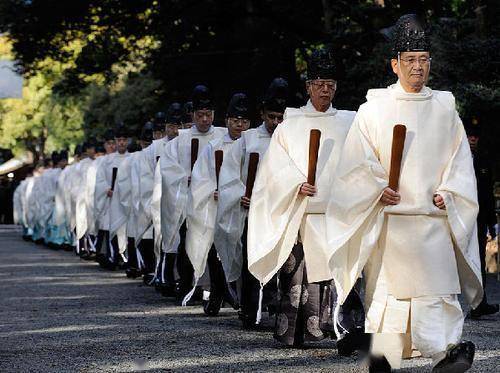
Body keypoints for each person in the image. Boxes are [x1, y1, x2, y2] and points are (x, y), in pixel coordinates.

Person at [325, 14, 481, 372]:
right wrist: (377, 189)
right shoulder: (374, 108)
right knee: (389, 296)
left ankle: (445, 354)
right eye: (410, 60)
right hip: (392, 222)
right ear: (394, 64)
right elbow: (356, 164)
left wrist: (450, 191)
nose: (418, 67)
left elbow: (460, 161)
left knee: (437, 294)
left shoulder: (444, 106)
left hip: (432, 218)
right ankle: (382, 356)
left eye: (424, 60)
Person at [247, 48, 363, 349]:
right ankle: (293, 333)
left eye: (331, 83)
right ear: (309, 86)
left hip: (337, 213)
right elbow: (273, 169)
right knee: (297, 276)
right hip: (301, 212)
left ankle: (340, 331)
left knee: (339, 274)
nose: (325, 89)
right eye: (319, 83)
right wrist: (295, 184)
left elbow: (362, 162)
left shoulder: (350, 122)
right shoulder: (289, 125)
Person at [215, 77, 288, 327]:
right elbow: (229, 173)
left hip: (281, 209)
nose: (276, 123)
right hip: (253, 210)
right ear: (262, 114)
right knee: (251, 259)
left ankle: (277, 305)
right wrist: (240, 195)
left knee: (281, 259)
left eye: (280, 118)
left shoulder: (291, 138)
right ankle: (248, 308)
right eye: (271, 117)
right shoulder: (248, 140)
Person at [153, 85, 227, 301]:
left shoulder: (222, 136)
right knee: (188, 244)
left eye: (209, 114)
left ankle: (216, 289)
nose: (205, 119)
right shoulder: (180, 140)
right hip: (187, 201)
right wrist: (183, 178)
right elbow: (167, 169)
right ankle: (186, 285)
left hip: (213, 201)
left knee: (214, 247)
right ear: (193, 115)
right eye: (200, 115)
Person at [184, 93, 251, 315]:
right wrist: (213, 190)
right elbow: (201, 177)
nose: (239, 125)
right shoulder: (214, 146)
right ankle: (218, 291)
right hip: (218, 205)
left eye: (244, 121)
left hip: (246, 206)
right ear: (227, 121)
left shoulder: (253, 144)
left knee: (245, 250)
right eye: (235, 120)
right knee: (217, 248)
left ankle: (244, 297)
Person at [465, 119, 499, 319]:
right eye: (470, 135)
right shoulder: (455, 158)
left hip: (478, 218)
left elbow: (486, 193)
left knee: (477, 260)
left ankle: (479, 303)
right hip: (456, 216)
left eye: (475, 136)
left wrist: (491, 222)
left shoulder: (483, 160)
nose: (472, 139)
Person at [95, 125, 130, 269]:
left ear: (128, 141)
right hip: (111, 200)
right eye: (119, 140)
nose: (121, 143)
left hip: (127, 200)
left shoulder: (133, 158)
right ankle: (113, 257)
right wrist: (106, 189)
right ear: (115, 141)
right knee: (112, 228)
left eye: (124, 140)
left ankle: (127, 259)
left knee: (127, 229)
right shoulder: (106, 160)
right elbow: (100, 179)